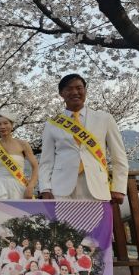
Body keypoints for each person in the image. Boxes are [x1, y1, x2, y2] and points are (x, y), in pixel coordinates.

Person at [39, 74, 129, 203]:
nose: (75, 92)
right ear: (61, 93)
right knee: (64, 218)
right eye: (69, 89)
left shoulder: (104, 119)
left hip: (97, 186)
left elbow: (119, 156)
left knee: (97, 218)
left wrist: (119, 188)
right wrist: (45, 188)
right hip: (60, 188)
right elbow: (46, 160)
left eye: (79, 88)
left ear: (85, 91)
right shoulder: (52, 123)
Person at [0, 110, 39, 199]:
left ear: (12, 125)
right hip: (0, 187)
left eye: (5, 123)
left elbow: (35, 166)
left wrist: (31, 185)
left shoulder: (23, 144)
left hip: (19, 186)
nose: (2, 127)